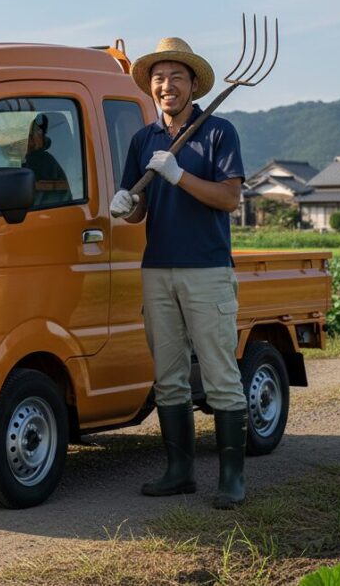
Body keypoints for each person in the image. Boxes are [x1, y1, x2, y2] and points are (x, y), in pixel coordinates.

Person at [109, 38, 248, 509]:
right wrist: (125, 206)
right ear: (150, 87)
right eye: (159, 78)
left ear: (192, 85)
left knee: (219, 373)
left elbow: (230, 199)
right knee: (167, 377)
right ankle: (179, 471)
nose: (167, 86)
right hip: (158, 269)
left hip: (207, 269)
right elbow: (139, 209)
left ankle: (231, 478)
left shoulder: (218, 132)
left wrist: (180, 176)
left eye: (176, 77)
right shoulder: (143, 140)